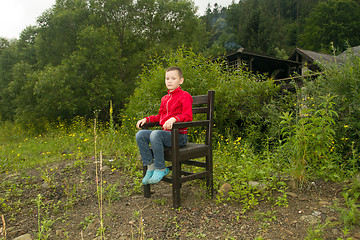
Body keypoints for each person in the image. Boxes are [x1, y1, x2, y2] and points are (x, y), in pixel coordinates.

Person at [136, 66, 193, 185]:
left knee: (156, 134)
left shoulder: (184, 95)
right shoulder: (165, 99)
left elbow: (188, 116)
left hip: (179, 137)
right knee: (140, 134)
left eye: (173, 78)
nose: (169, 81)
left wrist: (174, 119)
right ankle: (150, 167)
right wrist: (146, 119)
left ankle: (161, 168)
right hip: (166, 136)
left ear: (181, 81)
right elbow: (160, 117)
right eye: (167, 78)